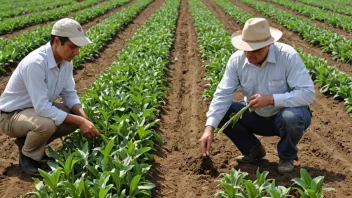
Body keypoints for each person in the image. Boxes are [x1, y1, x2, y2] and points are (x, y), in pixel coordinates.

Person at [200, 18, 314, 173]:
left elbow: (307, 94)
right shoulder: (237, 61)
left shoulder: (287, 56)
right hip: (256, 116)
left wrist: (271, 99)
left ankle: (287, 156)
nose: (249, 54)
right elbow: (223, 94)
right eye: (246, 49)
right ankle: (253, 149)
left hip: (283, 117)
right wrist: (209, 127)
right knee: (223, 112)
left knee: (291, 116)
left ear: (269, 45)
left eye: (255, 50)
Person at [0, 18, 100, 177]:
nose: (76, 52)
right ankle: (28, 157)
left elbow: (69, 94)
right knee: (46, 124)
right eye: (72, 47)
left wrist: (84, 117)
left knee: (72, 115)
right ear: (56, 41)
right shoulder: (35, 63)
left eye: (78, 48)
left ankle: (29, 142)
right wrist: (80, 121)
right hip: (10, 117)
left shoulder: (66, 61)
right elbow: (42, 107)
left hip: (33, 111)